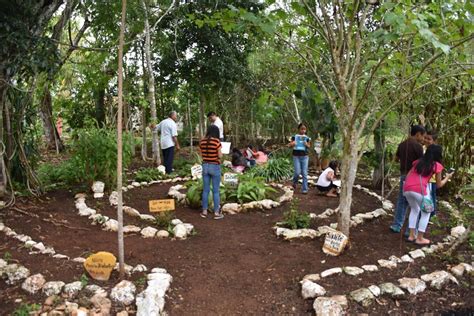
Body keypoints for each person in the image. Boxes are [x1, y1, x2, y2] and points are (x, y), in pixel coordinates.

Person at [403, 144, 453, 245]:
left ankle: (412, 235)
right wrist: (447, 177)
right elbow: (439, 185)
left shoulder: (417, 162)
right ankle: (420, 238)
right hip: (420, 190)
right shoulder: (436, 165)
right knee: (427, 212)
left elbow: (408, 175)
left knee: (414, 209)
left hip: (407, 188)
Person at [390, 125, 425, 233]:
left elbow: (395, 159)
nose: (423, 139)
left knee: (402, 201)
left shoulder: (401, 145)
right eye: (422, 136)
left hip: (403, 176)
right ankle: (409, 230)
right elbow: (421, 163)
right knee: (414, 204)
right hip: (414, 178)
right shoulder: (418, 147)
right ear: (418, 134)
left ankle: (397, 225)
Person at [199, 125, 224, 220]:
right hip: (215, 166)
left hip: (205, 166)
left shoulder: (202, 141)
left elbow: (201, 155)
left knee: (205, 190)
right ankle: (216, 213)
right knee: (216, 190)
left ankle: (204, 211)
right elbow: (220, 156)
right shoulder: (217, 142)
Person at [289, 123, 311, 194]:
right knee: (297, 172)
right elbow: (289, 145)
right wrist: (292, 144)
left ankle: (305, 189)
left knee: (304, 173)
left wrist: (306, 144)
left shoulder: (307, 138)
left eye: (304, 129)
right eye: (302, 129)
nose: (303, 131)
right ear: (298, 129)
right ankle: (294, 183)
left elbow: (309, 146)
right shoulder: (294, 137)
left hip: (305, 157)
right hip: (296, 156)